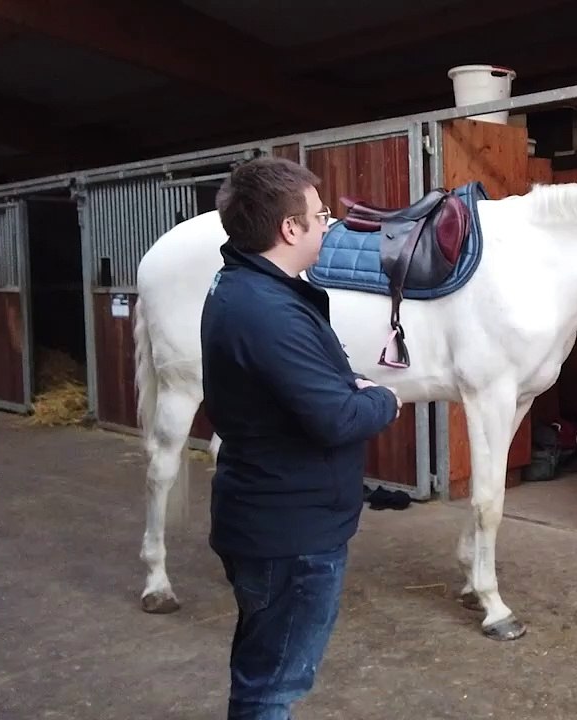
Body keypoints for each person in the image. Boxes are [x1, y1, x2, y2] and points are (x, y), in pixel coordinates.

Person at [200, 156, 402, 719]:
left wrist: (344, 384)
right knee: (273, 688)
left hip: (271, 518)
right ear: (290, 229)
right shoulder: (269, 312)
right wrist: (384, 398)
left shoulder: (246, 287)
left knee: (263, 667)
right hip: (291, 535)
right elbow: (337, 420)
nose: (327, 224)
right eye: (320, 215)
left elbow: (302, 387)